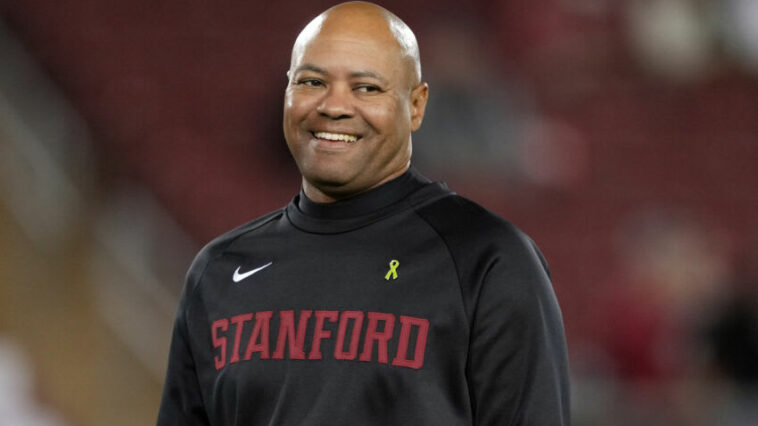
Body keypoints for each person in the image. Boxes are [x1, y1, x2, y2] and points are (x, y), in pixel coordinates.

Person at [157, 2, 570, 425]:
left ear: (416, 105)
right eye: (312, 81)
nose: (334, 106)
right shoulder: (219, 271)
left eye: (366, 88)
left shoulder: (488, 262)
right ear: (287, 95)